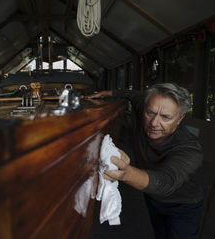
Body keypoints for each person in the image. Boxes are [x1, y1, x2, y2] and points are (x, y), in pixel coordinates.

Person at [87, 83, 205, 239]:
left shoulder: (189, 149)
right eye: (150, 113)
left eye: (166, 117)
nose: (154, 123)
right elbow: (131, 94)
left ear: (180, 118)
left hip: (183, 204)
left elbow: (164, 182)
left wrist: (125, 174)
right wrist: (107, 93)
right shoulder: (145, 104)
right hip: (152, 198)